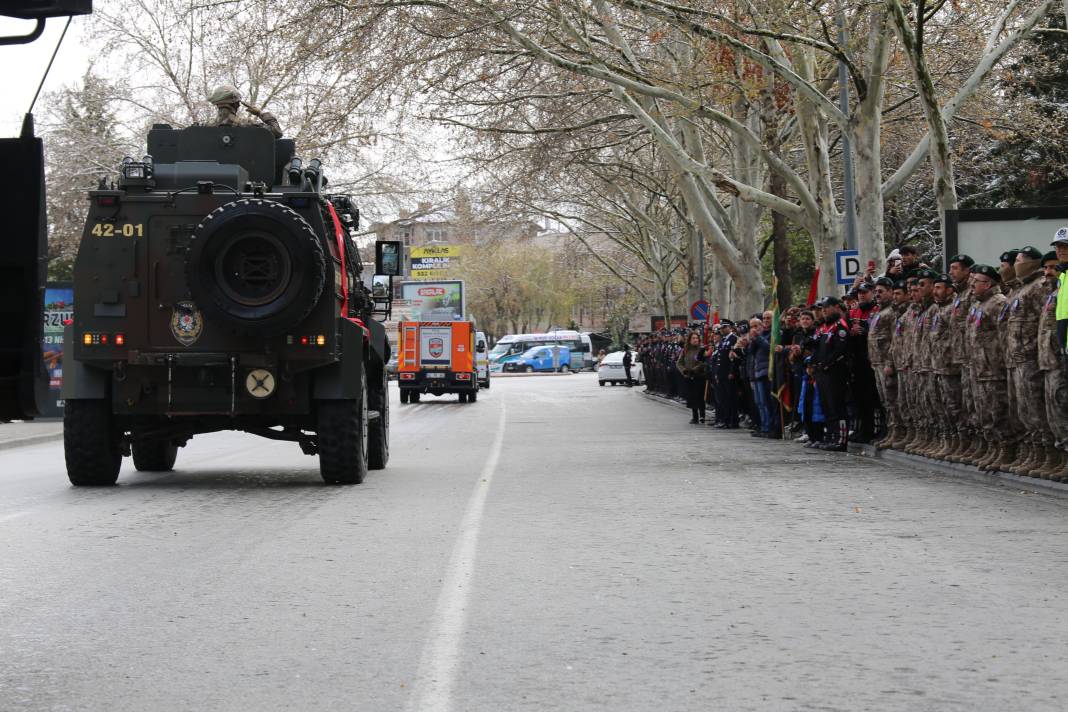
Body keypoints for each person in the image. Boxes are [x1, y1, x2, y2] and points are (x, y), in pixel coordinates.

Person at [1000, 246, 1051, 475]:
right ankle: (1031, 453)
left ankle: (1050, 456)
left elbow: (1045, 322)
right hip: (1016, 358)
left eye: (1019, 260)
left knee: (1036, 409)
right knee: (1022, 410)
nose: (1015, 265)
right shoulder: (1020, 289)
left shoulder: (1039, 287)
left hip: (1032, 357)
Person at [965, 265, 1010, 470]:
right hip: (978, 367)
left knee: (998, 411)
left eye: (977, 281)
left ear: (988, 284)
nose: (972, 284)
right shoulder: (978, 304)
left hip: (994, 368)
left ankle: (1006, 450)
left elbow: (1004, 336)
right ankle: (993, 448)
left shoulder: (998, 303)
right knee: (984, 412)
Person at [813, 297, 850, 451]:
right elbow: (818, 347)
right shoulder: (824, 327)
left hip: (835, 372)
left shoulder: (840, 326)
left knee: (837, 407)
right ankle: (831, 436)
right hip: (822, 372)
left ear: (835, 307)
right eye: (822, 309)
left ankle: (841, 439)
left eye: (826, 308)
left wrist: (826, 363)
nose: (824, 311)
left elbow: (840, 350)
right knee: (827, 407)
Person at [208, 84, 283, 138]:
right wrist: (260, 113)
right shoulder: (247, 125)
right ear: (236, 104)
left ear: (216, 104)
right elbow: (277, 132)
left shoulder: (206, 127)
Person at [676, 331, 708, 423]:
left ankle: (702, 415)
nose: (695, 340)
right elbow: (679, 363)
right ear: (689, 340)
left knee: (700, 396)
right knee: (691, 397)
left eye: (696, 338)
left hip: (699, 376)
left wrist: (695, 369)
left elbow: (704, 362)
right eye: (693, 338)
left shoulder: (702, 350)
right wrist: (684, 370)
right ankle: (695, 417)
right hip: (688, 376)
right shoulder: (685, 350)